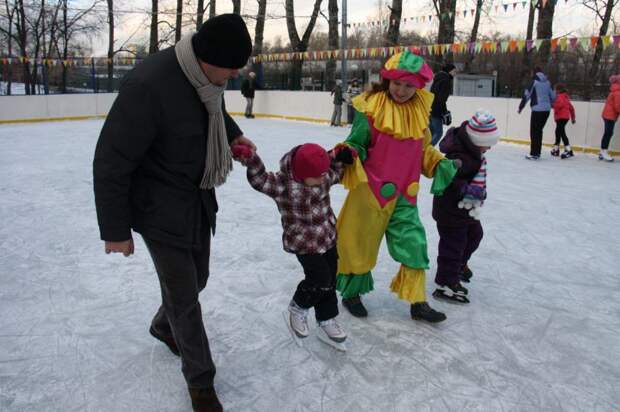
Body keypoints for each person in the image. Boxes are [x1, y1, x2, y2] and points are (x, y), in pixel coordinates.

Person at [93, 14, 254, 412]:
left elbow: (211, 109)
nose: (235, 75)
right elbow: (111, 161)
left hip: (195, 196)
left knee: (198, 277)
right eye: (231, 67)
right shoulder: (149, 86)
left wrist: (232, 136)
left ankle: (162, 326)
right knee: (184, 296)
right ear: (208, 57)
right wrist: (115, 230)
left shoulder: (205, 79)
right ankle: (201, 383)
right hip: (157, 207)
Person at [335, 51, 459, 323]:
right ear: (387, 79)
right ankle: (352, 294)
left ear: (419, 86)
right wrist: (348, 152)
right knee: (359, 244)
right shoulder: (371, 108)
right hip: (370, 192)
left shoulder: (419, 111)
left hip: (405, 194)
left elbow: (423, 150)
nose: (402, 90)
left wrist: (439, 164)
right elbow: (357, 142)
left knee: (414, 244)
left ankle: (418, 303)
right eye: (397, 83)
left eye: (409, 85)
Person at [231, 142, 355, 346]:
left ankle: (326, 318)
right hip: (304, 243)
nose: (322, 179)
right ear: (301, 173)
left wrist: (342, 156)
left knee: (330, 279)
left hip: (327, 238)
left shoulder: (322, 177)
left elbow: (334, 169)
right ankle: (299, 306)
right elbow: (260, 180)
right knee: (320, 279)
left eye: (324, 174)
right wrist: (250, 159)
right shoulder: (282, 185)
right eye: (317, 176)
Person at [431, 110, 500, 304]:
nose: (490, 148)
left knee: (475, 235)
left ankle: (459, 265)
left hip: (464, 210)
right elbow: (449, 180)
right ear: (477, 139)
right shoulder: (459, 157)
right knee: (453, 246)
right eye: (488, 143)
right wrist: (470, 191)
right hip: (450, 211)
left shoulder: (472, 152)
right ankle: (445, 282)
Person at [518, 67, 556, 160]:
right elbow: (553, 96)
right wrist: (551, 105)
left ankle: (534, 153)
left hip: (537, 110)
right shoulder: (548, 82)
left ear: (534, 73)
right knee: (539, 131)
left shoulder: (534, 82)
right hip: (546, 111)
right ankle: (537, 152)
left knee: (534, 131)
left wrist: (521, 107)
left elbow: (527, 94)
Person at [429, 63, 456, 146]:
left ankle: (423, 150)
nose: (455, 73)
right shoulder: (446, 81)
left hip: (430, 108)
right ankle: (426, 151)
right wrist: (444, 111)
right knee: (438, 133)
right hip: (436, 110)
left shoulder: (438, 78)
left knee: (431, 132)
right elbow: (441, 99)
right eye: (454, 71)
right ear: (449, 71)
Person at [551, 83, 576, 159]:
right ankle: (556, 149)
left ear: (558, 90)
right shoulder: (566, 97)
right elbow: (571, 108)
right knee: (558, 131)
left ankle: (568, 150)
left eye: (555, 90)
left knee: (561, 132)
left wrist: (553, 105)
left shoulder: (559, 97)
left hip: (560, 117)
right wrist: (573, 118)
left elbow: (559, 105)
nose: (555, 91)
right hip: (565, 117)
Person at [599, 74, 620, 162]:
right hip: (610, 116)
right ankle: (604, 151)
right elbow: (617, 106)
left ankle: (602, 151)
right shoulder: (618, 92)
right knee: (608, 133)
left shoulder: (614, 90)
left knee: (608, 133)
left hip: (608, 115)